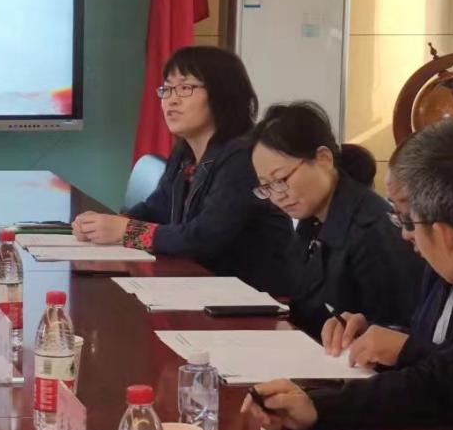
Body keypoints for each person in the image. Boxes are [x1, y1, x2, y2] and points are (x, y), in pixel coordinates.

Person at [243, 119, 453, 430]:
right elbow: (439, 382)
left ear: (444, 235)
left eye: (409, 222)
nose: (406, 236)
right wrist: (317, 408)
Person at [73, 46, 297, 295]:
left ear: (223, 93)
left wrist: (126, 232)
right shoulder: (185, 152)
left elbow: (204, 238)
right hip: (203, 285)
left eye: (185, 88)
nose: (172, 99)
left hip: (256, 298)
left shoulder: (244, 157)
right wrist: (104, 225)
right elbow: (156, 208)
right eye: (167, 89)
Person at [251, 102, 423, 337]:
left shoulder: (373, 232)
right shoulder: (312, 221)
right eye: (266, 187)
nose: (277, 196)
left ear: (323, 158)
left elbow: (392, 331)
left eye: (281, 179)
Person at [321, 135, 453, 368]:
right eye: (399, 217)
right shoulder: (437, 267)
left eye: (409, 219)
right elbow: (426, 337)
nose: (405, 234)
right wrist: (370, 334)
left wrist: (408, 351)